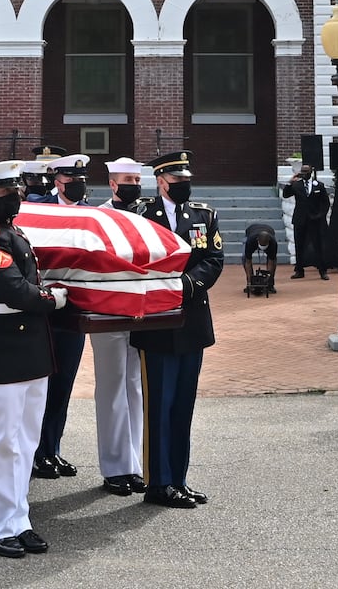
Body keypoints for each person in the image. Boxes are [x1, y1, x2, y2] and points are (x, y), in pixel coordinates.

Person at [0, 160, 66, 559]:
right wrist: (52, 299)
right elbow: (15, 292)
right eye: (7, 191)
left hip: (28, 348)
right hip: (1, 348)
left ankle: (18, 518)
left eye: (17, 189)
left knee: (25, 440)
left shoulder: (10, 231)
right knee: (2, 441)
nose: (17, 197)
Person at [133, 151, 224, 509]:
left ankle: (179, 479)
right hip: (155, 323)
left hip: (191, 319)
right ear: (160, 181)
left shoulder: (203, 215)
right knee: (159, 405)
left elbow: (214, 260)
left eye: (186, 180)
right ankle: (158, 482)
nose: (183, 186)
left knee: (183, 405)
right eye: (176, 181)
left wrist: (187, 283)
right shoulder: (141, 216)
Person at [32, 152, 91, 480]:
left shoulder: (88, 214)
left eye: (82, 181)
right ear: (57, 182)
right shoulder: (37, 207)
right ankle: (34, 451)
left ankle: (52, 450)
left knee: (63, 384)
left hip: (73, 311)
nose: (79, 186)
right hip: (41, 312)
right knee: (38, 384)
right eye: (72, 182)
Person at [93, 157, 148, 496]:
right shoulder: (99, 217)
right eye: (127, 179)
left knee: (136, 388)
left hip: (143, 312)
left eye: (137, 180)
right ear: (113, 184)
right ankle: (115, 468)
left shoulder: (150, 215)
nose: (134, 185)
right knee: (112, 388)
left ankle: (136, 464)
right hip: (109, 310)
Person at [283, 164, 330, 280]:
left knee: (317, 245)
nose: (304, 174)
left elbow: (325, 203)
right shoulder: (296, 185)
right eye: (302, 172)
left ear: (310, 172)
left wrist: (320, 215)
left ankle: (322, 270)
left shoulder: (318, 185)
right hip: (300, 219)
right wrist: (290, 182)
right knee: (299, 245)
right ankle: (299, 270)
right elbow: (286, 194)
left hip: (314, 220)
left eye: (306, 172)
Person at [242, 222, 279, 295]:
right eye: (261, 245)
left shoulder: (273, 243)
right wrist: (250, 282)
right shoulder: (250, 241)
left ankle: (270, 284)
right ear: (257, 240)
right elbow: (248, 261)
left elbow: (271, 261)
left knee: (273, 259)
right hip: (251, 231)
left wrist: (267, 280)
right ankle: (249, 283)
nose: (263, 247)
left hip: (269, 230)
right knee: (245, 257)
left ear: (269, 241)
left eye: (265, 245)